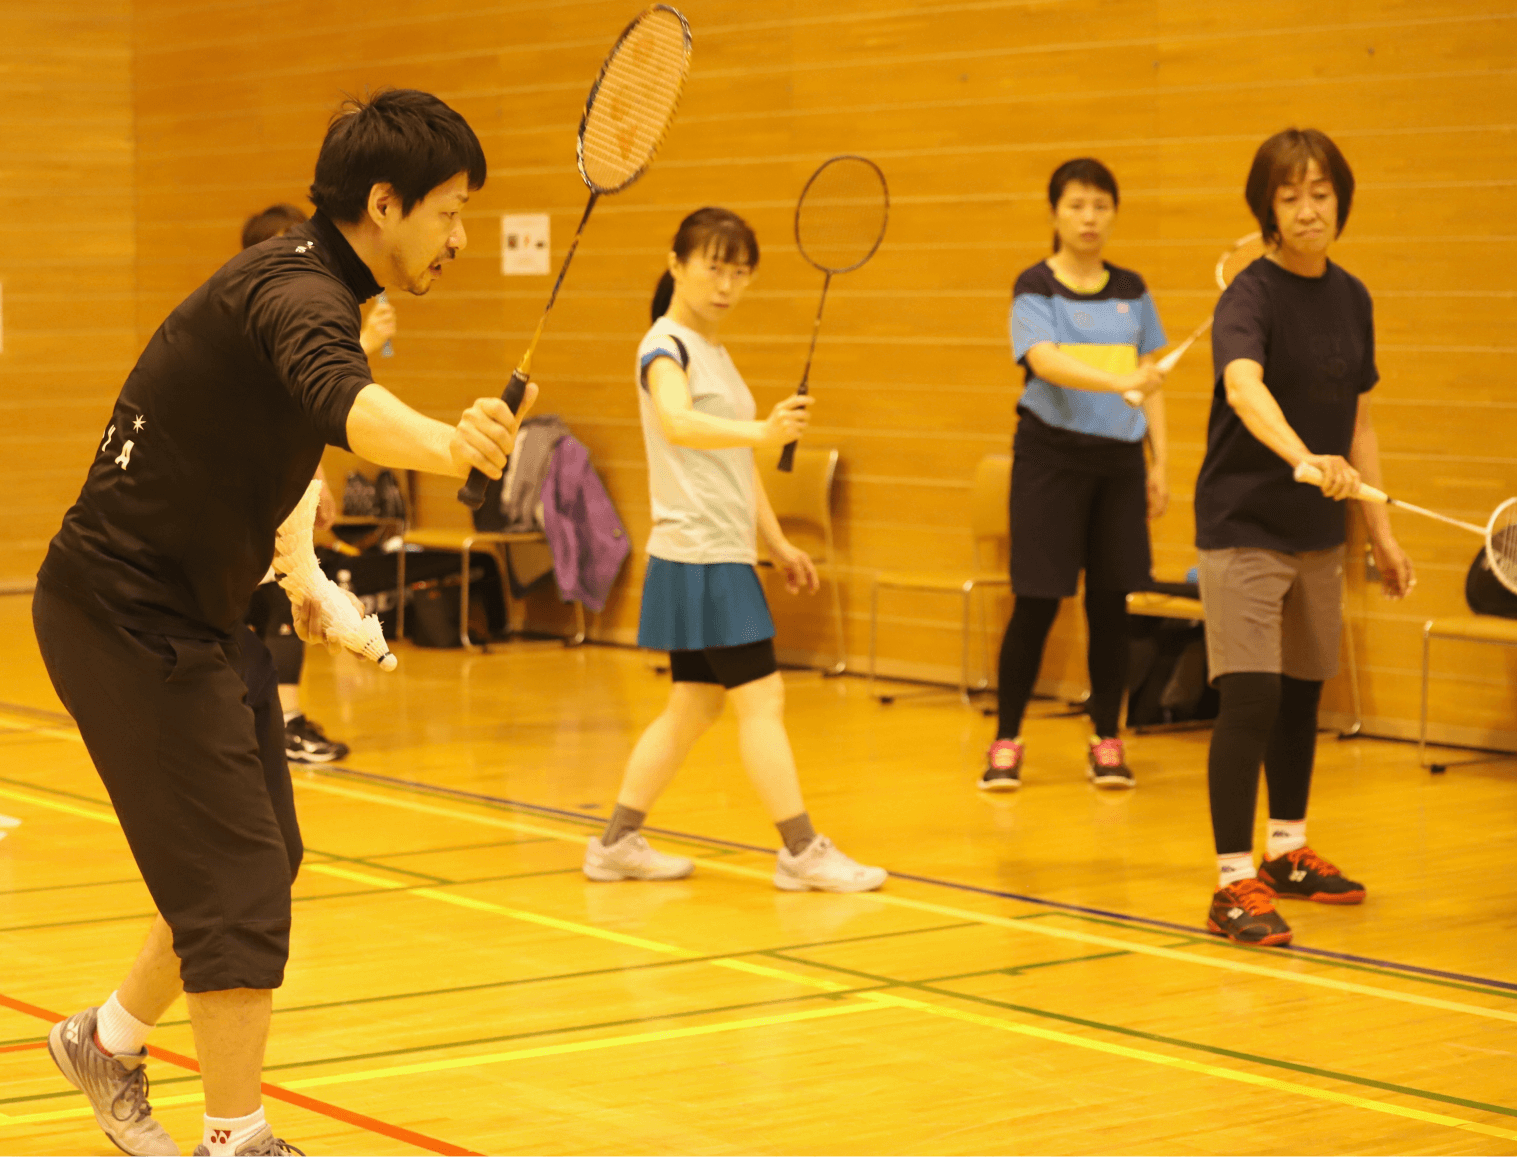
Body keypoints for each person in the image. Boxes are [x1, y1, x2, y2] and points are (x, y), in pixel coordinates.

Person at [34, 89, 533, 1157]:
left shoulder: (303, 284)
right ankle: (238, 1137)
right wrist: (451, 447)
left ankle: (105, 1041)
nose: (459, 238)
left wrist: (298, 580)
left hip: (202, 609)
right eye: (447, 212)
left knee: (258, 858)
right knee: (235, 882)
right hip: (119, 612)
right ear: (384, 202)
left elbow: (265, 457)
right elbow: (339, 398)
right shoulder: (302, 292)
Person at [583, 207, 886, 894]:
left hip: (715, 550)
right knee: (762, 699)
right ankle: (802, 850)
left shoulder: (715, 351)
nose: (726, 283)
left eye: (740, 271)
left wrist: (775, 541)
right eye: (713, 266)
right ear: (677, 264)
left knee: (693, 704)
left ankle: (615, 841)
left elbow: (735, 463)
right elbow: (679, 422)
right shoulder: (665, 346)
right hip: (700, 554)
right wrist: (762, 429)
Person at [1197, 128, 1413, 946]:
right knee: (1250, 695)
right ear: (1268, 212)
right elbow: (1243, 387)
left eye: (1321, 192)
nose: (1308, 208)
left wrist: (1379, 533)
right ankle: (1230, 884)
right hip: (1243, 524)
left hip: (1320, 532)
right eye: (1290, 196)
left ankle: (1286, 849)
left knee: (1301, 693)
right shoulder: (1247, 298)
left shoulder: (1352, 297)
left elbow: (1359, 418)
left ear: (1341, 200)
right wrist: (1298, 456)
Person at [982, 158, 1169, 793]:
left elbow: (1151, 381)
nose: (1090, 218)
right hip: (1049, 459)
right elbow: (1044, 361)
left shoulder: (1133, 290)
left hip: (1119, 464)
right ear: (1055, 213)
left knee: (1111, 605)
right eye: (1077, 205)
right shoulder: (1035, 286)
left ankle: (1106, 740)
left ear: (1113, 213)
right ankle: (1006, 739)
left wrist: (1160, 461)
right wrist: (1121, 382)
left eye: (1101, 206)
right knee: (1036, 603)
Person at [239, 204, 397, 764]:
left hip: (279, 499)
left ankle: (281, 720)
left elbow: (302, 416)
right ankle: (274, 722)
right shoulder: (248, 327)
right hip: (238, 507)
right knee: (268, 608)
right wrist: (367, 343)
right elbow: (303, 389)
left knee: (283, 605)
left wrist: (317, 482)